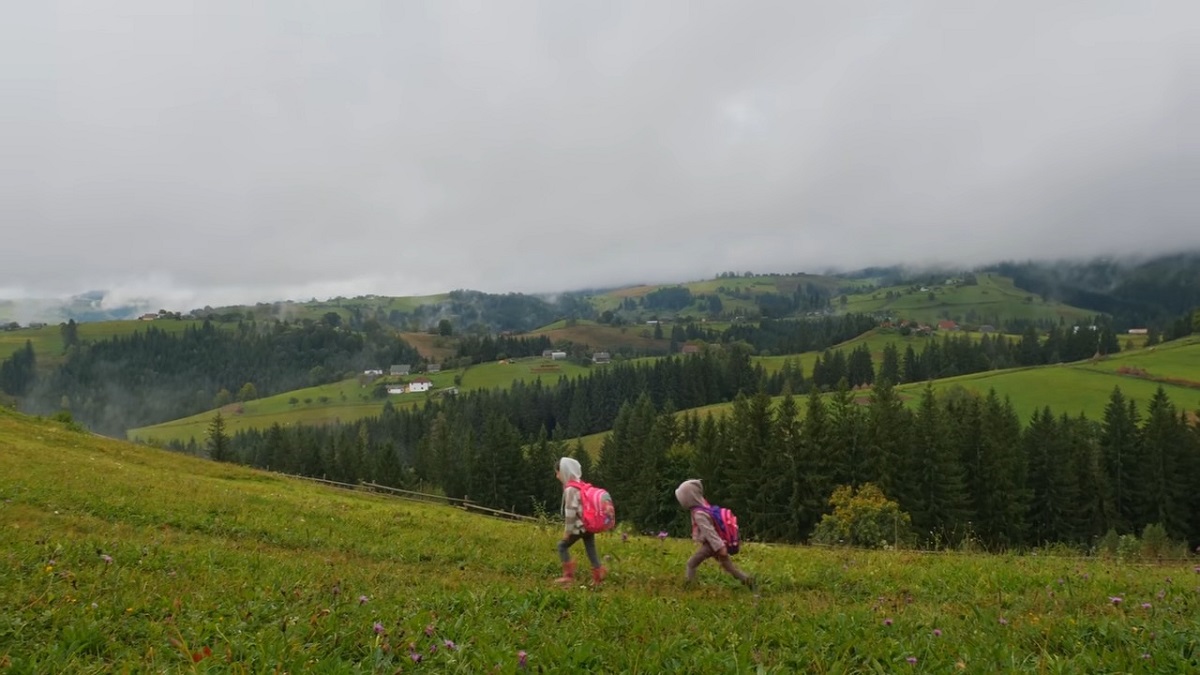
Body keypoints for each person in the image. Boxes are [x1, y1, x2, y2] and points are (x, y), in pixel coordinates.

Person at [674, 479, 753, 588]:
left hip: (712, 545)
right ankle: (748, 581)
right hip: (717, 543)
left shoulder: (699, 514)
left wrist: (720, 548)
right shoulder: (704, 507)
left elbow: (710, 532)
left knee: (691, 564)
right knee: (729, 567)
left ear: (689, 498)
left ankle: (689, 586)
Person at [554, 457, 606, 586]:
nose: (557, 476)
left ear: (564, 471)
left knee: (562, 546)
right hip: (589, 525)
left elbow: (570, 513)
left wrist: (567, 531)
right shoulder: (581, 485)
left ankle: (568, 576)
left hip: (579, 527)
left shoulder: (570, 489)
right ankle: (598, 575)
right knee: (590, 549)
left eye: (558, 472)